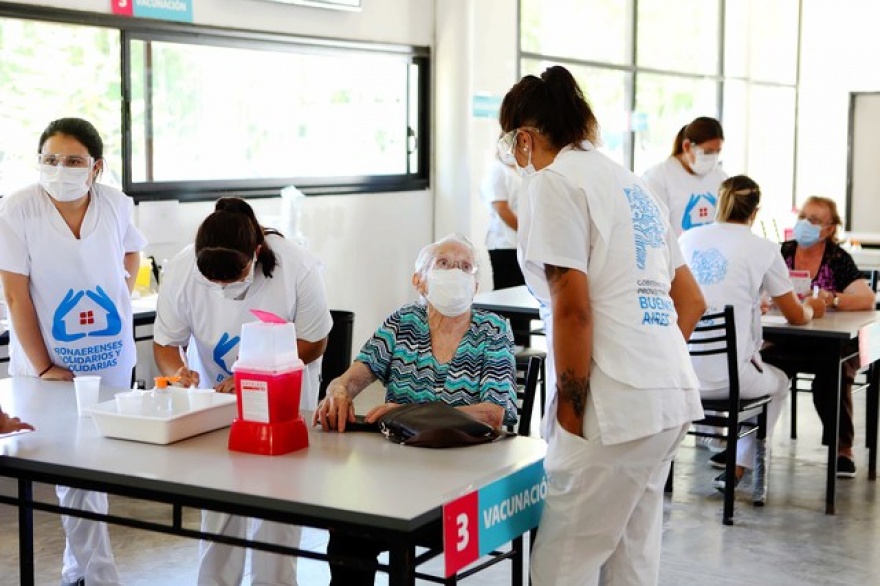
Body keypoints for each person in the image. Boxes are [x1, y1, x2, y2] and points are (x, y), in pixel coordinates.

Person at [499, 65, 707, 586]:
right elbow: (691, 300)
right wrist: (648, 361)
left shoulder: (553, 183)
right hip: (669, 392)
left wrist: (571, 411)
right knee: (631, 559)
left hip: (613, 407)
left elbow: (572, 307)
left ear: (523, 138)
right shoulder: (634, 184)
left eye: (510, 144)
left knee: (560, 566)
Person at [313, 233, 518, 585]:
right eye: (443, 264)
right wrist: (337, 391)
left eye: (465, 267)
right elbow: (351, 377)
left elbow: (492, 414)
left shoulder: (492, 329)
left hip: (466, 479)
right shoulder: (402, 323)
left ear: (476, 285)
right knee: (349, 534)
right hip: (398, 473)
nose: (455, 272)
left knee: (392, 529)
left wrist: (408, 412)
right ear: (418, 279)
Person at [153, 197, 333, 586]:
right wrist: (179, 372)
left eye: (232, 278)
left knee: (277, 509)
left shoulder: (296, 266)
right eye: (213, 281)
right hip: (217, 400)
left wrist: (258, 372)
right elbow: (166, 344)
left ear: (255, 252)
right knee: (219, 504)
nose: (222, 288)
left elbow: (315, 341)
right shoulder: (182, 269)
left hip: (284, 394)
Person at [0, 117, 146, 586]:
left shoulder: (116, 203)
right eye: (51, 159)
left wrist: (118, 287)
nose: (60, 169)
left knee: (94, 466)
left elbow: (130, 252)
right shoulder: (18, 209)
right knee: (74, 469)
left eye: (73, 161)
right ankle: (101, 576)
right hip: (50, 364)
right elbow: (16, 296)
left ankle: (75, 572)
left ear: (96, 167)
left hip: (110, 358)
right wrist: (43, 366)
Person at [678, 175, 826, 489]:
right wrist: (813, 305)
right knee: (779, 382)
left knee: (755, 371)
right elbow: (796, 316)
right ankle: (737, 467)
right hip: (730, 379)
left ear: (720, 204)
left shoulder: (687, 239)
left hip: (680, 374)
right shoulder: (763, 248)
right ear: (755, 212)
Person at [779, 195, 876, 478]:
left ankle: (843, 449)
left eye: (815, 220)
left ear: (830, 229)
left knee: (832, 374)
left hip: (832, 341)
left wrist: (832, 299)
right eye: (803, 218)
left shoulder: (837, 259)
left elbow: (867, 300)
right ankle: (746, 446)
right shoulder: (782, 252)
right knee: (761, 364)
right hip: (790, 335)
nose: (805, 225)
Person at [642, 116, 728, 237]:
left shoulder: (720, 177)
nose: (713, 157)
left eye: (717, 152)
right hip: (676, 253)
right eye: (708, 152)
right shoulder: (659, 176)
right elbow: (653, 228)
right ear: (687, 146)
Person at [480, 154, 531, 346]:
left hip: (518, 245)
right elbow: (501, 208)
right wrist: (526, 231)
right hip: (504, 244)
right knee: (505, 296)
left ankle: (523, 348)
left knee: (522, 297)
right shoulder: (497, 171)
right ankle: (498, 349)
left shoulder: (520, 170)